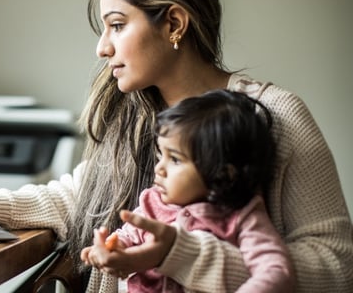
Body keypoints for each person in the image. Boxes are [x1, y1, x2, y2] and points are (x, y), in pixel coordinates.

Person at [0, 0, 353, 291]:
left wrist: (184, 256)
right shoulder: (130, 114)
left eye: (117, 25)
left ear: (174, 23)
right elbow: (82, 197)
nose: (102, 48)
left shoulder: (273, 116)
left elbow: (337, 262)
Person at [80, 89, 295, 292]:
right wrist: (111, 248)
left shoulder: (242, 216)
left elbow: (276, 271)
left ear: (223, 174)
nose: (159, 168)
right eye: (159, 156)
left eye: (174, 159)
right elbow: (126, 236)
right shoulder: (153, 204)